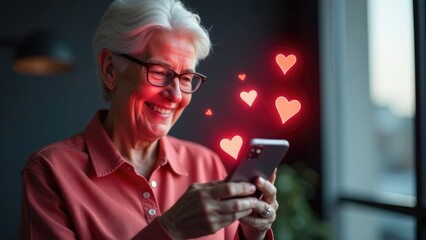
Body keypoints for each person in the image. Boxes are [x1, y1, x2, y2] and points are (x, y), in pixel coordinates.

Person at [19, 0, 279, 239]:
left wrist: (251, 234)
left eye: (186, 78)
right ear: (110, 68)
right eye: (159, 72)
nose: (175, 95)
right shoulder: (50, 171)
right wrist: (171, 228)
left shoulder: (206, 163)